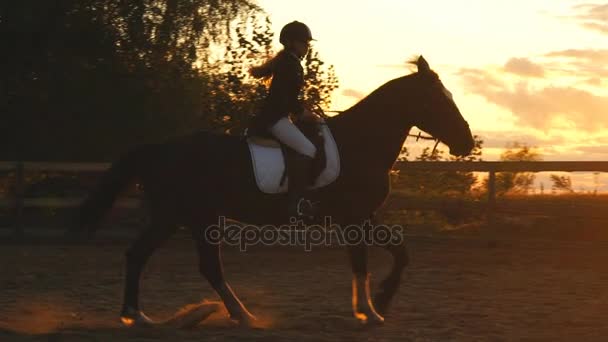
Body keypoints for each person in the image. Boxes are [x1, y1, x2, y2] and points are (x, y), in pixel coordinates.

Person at [248, 21, 321, 221]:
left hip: (277, 117)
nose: (307, 46)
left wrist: (304, 111)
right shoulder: (291, 64)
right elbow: (286, 99)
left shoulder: (286, 62)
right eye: (303, 42)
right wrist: (304, 113)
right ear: (291, 43)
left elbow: (288, 96)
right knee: (308, 149)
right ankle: (295, 203)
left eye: (307, 43)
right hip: (274, 120)